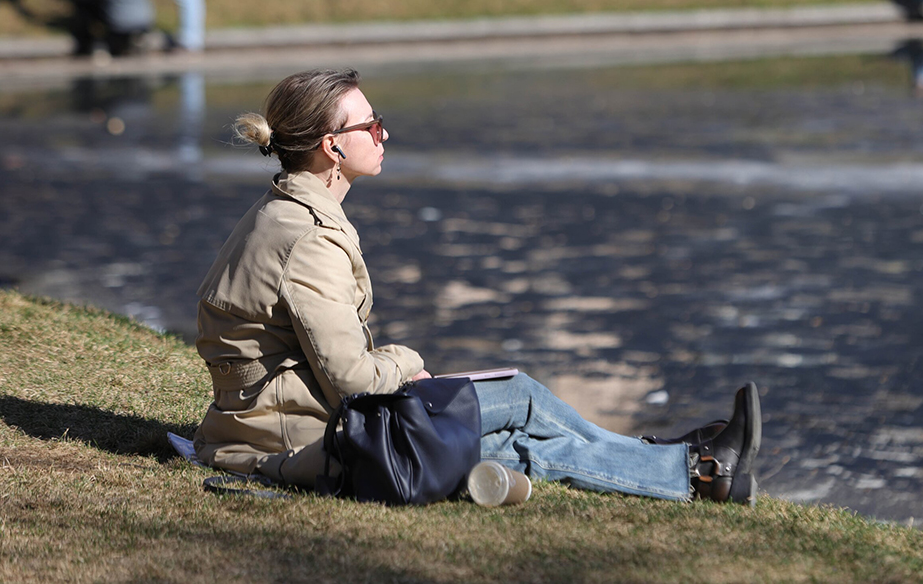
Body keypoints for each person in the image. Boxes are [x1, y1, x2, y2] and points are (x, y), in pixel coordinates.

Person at [191, 69, 763, 504]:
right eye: (370, 125)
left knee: (518, 398)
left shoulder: (288, 211)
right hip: (304, 439)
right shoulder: (308, 240)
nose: (384, 132)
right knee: (515, 428)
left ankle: (684, 460)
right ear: (332, 145)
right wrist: (409, 362)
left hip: (298, 423)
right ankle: (698, 469)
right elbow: (352, 384)